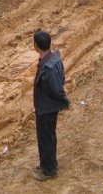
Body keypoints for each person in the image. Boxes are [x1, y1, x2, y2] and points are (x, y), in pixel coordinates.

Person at [32, 30, 70, 181]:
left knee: (46, 138)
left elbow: (56, 88)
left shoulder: (48, 67)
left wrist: (63, 101)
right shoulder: (54, 58)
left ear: (36, 45)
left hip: (46, 108)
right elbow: (61, 79)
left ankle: (48, 170)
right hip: (47, 107)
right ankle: (48, 162)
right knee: (48, 136)